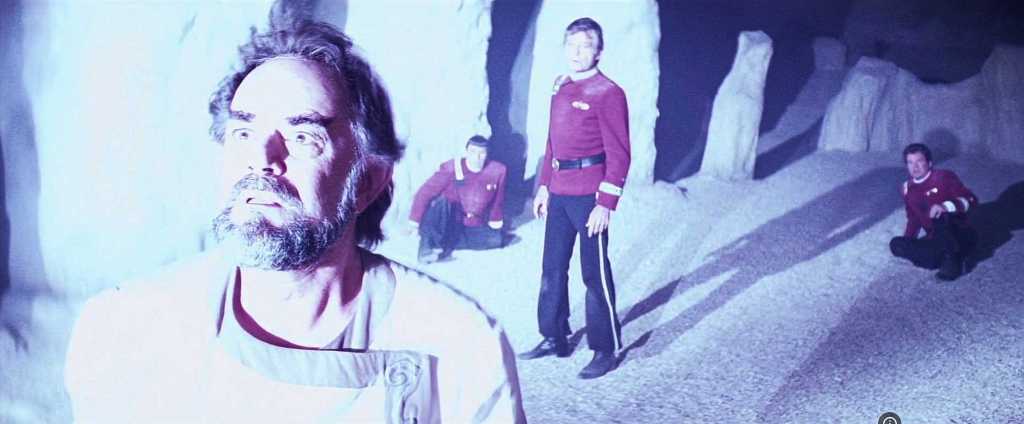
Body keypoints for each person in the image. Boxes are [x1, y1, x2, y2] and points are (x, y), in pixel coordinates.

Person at [64, 20, 524, 423]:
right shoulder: (125, 329)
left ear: (367, 182)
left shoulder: (459, 346)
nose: (261, 159)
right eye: (243, 132)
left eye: (303, 137)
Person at [518, 17, 630, 380]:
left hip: (589, 196)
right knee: (552, 268)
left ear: (599, 51)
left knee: (594, 273)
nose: (577, 53)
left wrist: (605, 204)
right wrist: (544, 186)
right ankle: (554, 335)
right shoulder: (561, 85)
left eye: (585, 46)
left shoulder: (608, 93)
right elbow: (553, 141)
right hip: (560, 192)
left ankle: (605, 348)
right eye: (572, 45)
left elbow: (620, 154)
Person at [408, 135, 508, 263]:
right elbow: (425, 192)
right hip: (449, 220)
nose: (477, 157)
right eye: (473, 152)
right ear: (466, 152)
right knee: (441, 202)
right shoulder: (452, 168)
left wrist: (495, 225)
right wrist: (414, 222)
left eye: (482, 153)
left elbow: (498, 202)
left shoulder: (497, 171)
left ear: (487, 154)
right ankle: (427, 247)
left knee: (496, 239)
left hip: (471, 225)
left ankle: (444, 241)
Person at [889, 143, 978, 281]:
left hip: (958, 233)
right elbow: (913, 218)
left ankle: (953, 262)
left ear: (929, 163)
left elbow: (971, 200)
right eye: (910, 163)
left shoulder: (944, 177)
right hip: (936, 238)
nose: (915, 167)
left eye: (919, 161)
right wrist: (909, 240)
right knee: (896, 244)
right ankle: (944, 258)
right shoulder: (907, 188)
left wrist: (945, 206)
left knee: (938, 215)